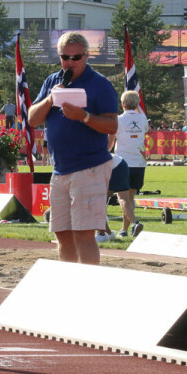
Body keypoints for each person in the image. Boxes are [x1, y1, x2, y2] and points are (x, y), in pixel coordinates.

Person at [29, 31, 119, 265]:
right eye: (64, 57)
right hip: (60, 170)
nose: (69, 62)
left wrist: (85, 116)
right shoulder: (52, 81)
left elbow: (112, 125)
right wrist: (50, 99)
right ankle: (68, 284)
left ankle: (88, 289)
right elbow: (31, 119)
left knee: (83, 234)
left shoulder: (100, 84)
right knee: (62, 234)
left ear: (87, 56)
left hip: (90, 167)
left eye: (76, 57)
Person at [109, 90, 148, 238]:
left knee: (122, 198)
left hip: (122, 163)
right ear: (137, 104)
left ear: (122, 104)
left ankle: (135, 223)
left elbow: (109, 143)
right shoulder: (143, 119)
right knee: (130, 198)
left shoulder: (118, 119)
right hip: (139, 162)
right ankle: (124, 230)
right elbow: (145, 128)